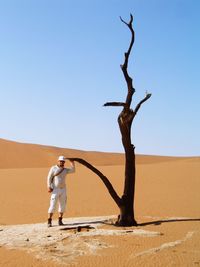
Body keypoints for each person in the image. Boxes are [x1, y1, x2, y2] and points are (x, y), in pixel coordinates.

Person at [47, 155, 75, 227]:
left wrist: (72, 163)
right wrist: (49, 186)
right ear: (58, 161)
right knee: (53, 205)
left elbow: (73, 170)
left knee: (62, 205)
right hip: (55, 189)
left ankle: (60, 220)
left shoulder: (65, 170)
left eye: (63, 161)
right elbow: (49, 177)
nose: (61, 162)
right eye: (60, 161)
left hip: (63, 189)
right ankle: (49, 221)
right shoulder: (53, 168)